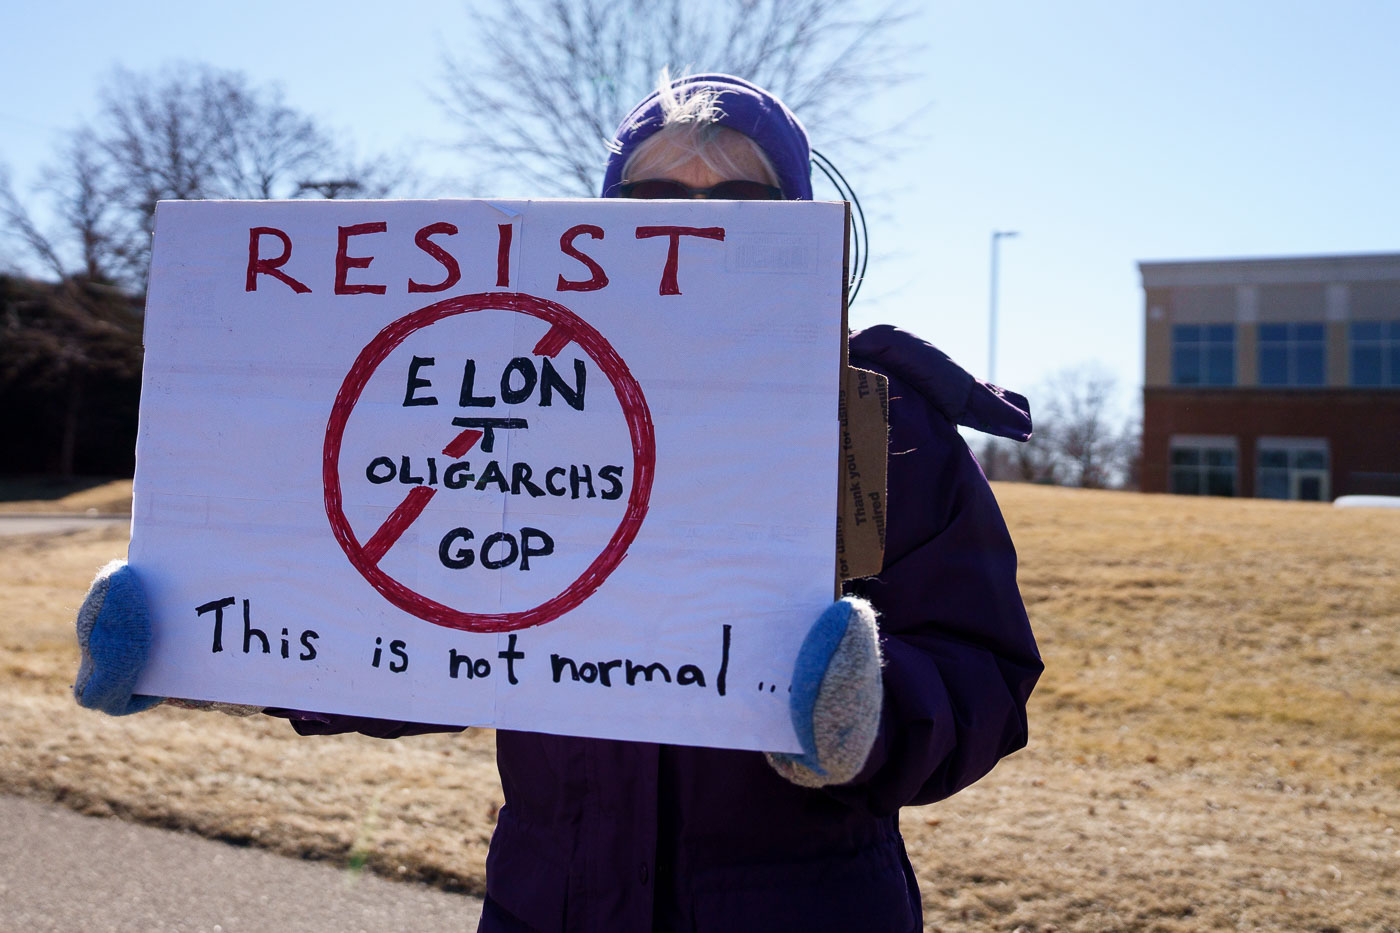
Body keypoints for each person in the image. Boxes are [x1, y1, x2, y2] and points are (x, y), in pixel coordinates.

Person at [74, 73, 1041, 933]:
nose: (693, 228)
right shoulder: (518, 399)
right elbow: (428, 635)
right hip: (546, 901)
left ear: (802, 224)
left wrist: (866, 718)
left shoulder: (880, 421)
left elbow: (982, 671)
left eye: (744, 205)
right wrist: (198, 630)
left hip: (808, 904)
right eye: (655, 200)